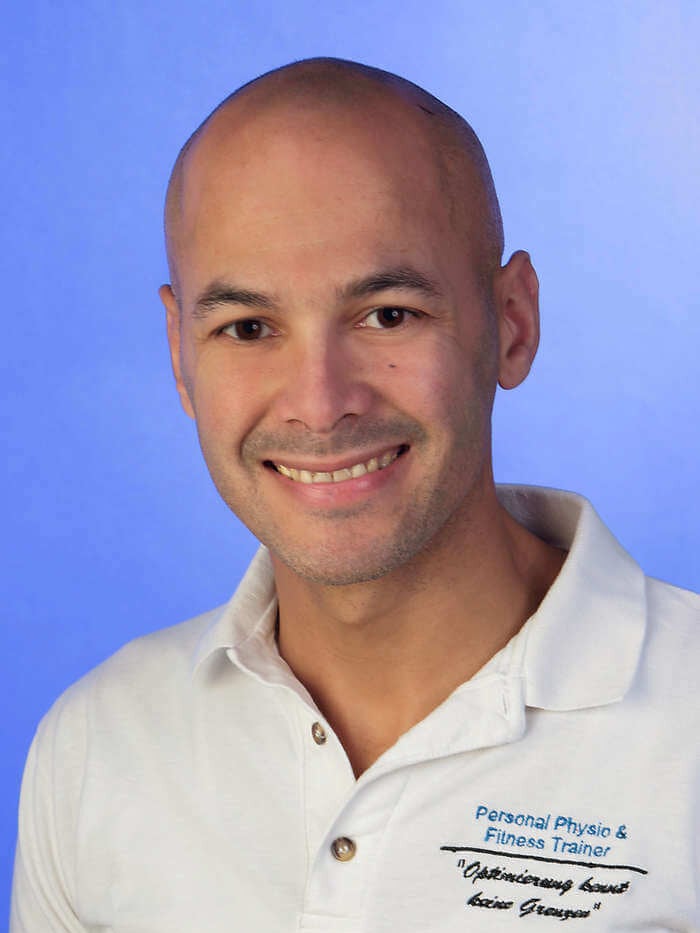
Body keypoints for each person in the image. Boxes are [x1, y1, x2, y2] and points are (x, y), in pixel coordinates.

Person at [11, 57, 699, 932]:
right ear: (181, 355)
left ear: (513, 323)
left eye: (387, 315)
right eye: (248, 328)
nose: (320, 402)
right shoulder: (97, 746)